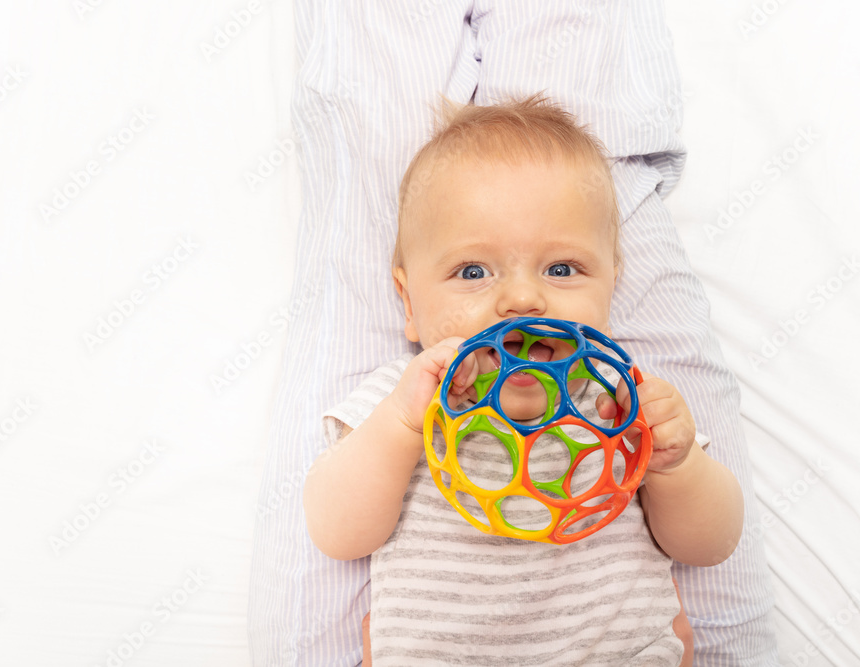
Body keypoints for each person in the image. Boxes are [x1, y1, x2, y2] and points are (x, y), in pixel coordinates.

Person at [249, 3, 777, 664]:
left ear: (613, 283)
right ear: (409, 306)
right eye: (472, 270)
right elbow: (335, 530)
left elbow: (711, 545)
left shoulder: (623, 402)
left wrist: (681, 466)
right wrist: (396, 428)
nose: (523, 297)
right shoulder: (405, 400)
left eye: (562, 267)